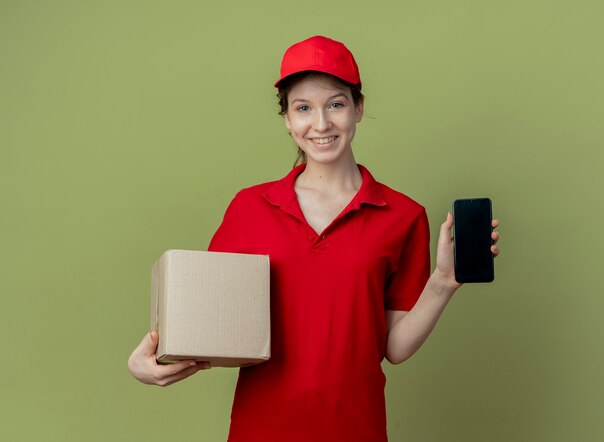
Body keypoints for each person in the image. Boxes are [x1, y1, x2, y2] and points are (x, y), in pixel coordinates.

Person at [128, 35, 501, 441]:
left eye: (335, 104)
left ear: (358, 108)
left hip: (356, 428)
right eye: (303, 108)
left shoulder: (404, 216)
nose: (320, 124)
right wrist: (148, 360)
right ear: (287, 119)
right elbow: (207, 325)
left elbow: (394, 347)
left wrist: (444, 282)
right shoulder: (249, 207)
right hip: (260, 430)